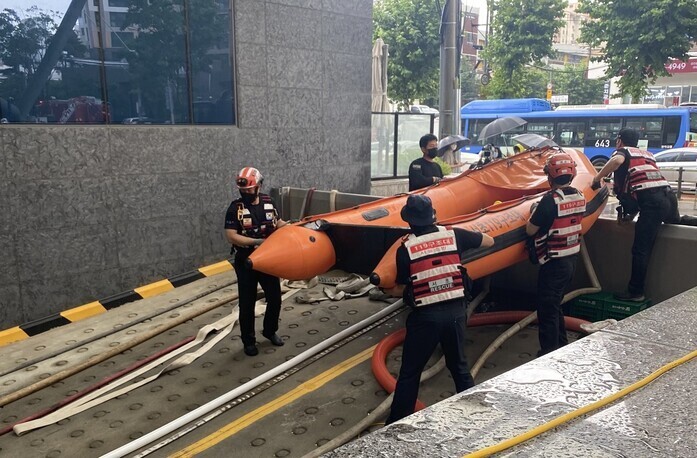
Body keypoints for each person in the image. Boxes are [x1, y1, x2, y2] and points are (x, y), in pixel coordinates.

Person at [384, 195, 494, 424]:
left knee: (410, 374)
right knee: (460, 368)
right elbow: (488, 241)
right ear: (433, 215)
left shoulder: (406, 249)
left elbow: (402, 289)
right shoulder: (454, 236)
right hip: (455, 313)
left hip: (426, 318)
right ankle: (476, 418)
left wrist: (386, 290)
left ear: (410, 221)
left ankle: (396, 424)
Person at [591, 128, 671, 302]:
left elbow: (617, 161)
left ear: (619, 140)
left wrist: (597, 179)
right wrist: (630, 214)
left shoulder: (622, 152)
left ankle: (636, 293)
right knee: (678, 221)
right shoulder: (647, 154)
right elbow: (641, 187)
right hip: (667, 197)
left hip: (653, 204)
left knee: (640, 250)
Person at [526, 152, 586, 356]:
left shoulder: (549, 201)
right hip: (571, 259)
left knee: (547, 309)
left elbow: (530, 230)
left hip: (553, 263)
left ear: (549, 176)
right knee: (555, 304)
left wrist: (534, 211)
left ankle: (549, 351)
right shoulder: (579, 195)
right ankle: (560, 343)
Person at [225, 167, 288, 356]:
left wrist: (290, 227)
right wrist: (255, 242)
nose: (245, 193)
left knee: (275, 297)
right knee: (247, 302)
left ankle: (270, 331)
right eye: (242, 191)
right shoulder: (235, 208)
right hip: (246, 261)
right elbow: (231, 236)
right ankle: (249, 341)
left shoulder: (269, 202)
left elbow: (277, 222)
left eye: (249, 190)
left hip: (268, 259)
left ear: (259, 186)